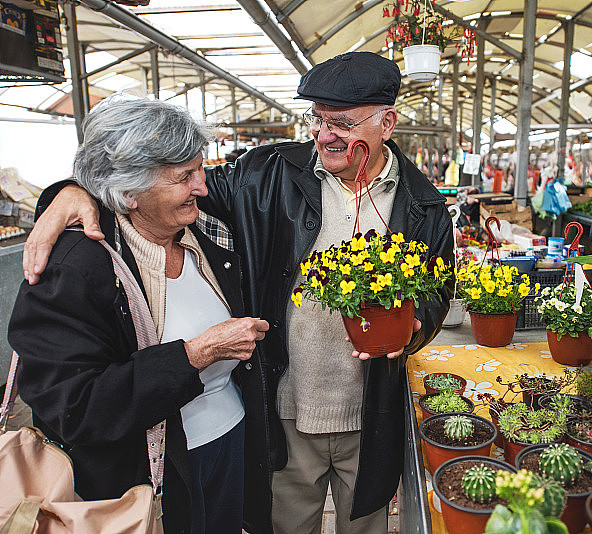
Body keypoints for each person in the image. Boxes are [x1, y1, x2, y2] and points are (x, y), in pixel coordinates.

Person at [23, 51, 455, 534]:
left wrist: (415, 329)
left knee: (368, 524)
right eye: (316, 119)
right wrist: (69, 191)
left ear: (387, 123)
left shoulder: (425, 205)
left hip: (370, 410)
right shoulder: (263, 176)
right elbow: (143, 177)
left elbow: (438, 289)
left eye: (341, 122)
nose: (323, 134)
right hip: (284, 410)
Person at [8, 96, 271, 534]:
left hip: (228, 443)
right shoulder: (76, 267)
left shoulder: (206, 233)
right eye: (184, 177)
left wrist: (65, 192)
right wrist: (193, 355)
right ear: (128, 192)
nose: (203, 187)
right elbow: (71, 406)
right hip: (148, 478)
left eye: (200, 169)